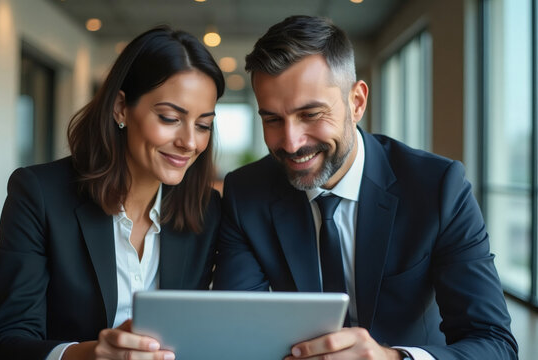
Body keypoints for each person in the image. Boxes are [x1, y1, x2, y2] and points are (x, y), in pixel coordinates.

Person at [213, 15, 517, 360]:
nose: (291, 141)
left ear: (356, 102)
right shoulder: (245, 192)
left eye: (311, 114)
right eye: (272, 119)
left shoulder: (438, 188)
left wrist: (391, 358)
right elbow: (238, 333)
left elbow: (495, 344)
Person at [0, 26, 225, 360]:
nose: (190, 142)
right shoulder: (38, 195)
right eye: (170, 118)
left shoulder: (206, 210)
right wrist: (91, 354)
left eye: (203, 125)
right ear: (121, 108)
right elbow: (2, 344)